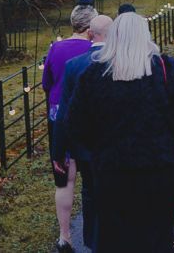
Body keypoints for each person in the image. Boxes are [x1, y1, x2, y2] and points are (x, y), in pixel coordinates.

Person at [65, 13, 174, 253]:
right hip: (159, 167)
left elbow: (75, 125)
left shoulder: (94, 75)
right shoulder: (162, 68)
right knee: (157, 236)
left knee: (115, 237)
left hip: (112, 170)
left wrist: (99, 145)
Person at [52, 14, 113, 250]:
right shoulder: (120, 61)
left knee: (90, 192)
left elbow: (63, 112)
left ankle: (94, 241)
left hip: (85, 145)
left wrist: (58, 151)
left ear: (91, 33)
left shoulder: (74, 65)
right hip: (115, 143)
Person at [42, 0, 97, 253]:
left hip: (58, 119)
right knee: (93, 178)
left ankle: (65, 237)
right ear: (90, 28)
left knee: (64, 181)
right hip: (88, 119)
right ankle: (96, 233)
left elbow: (47, 83)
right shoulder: (96, 49)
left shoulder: (56, 49)